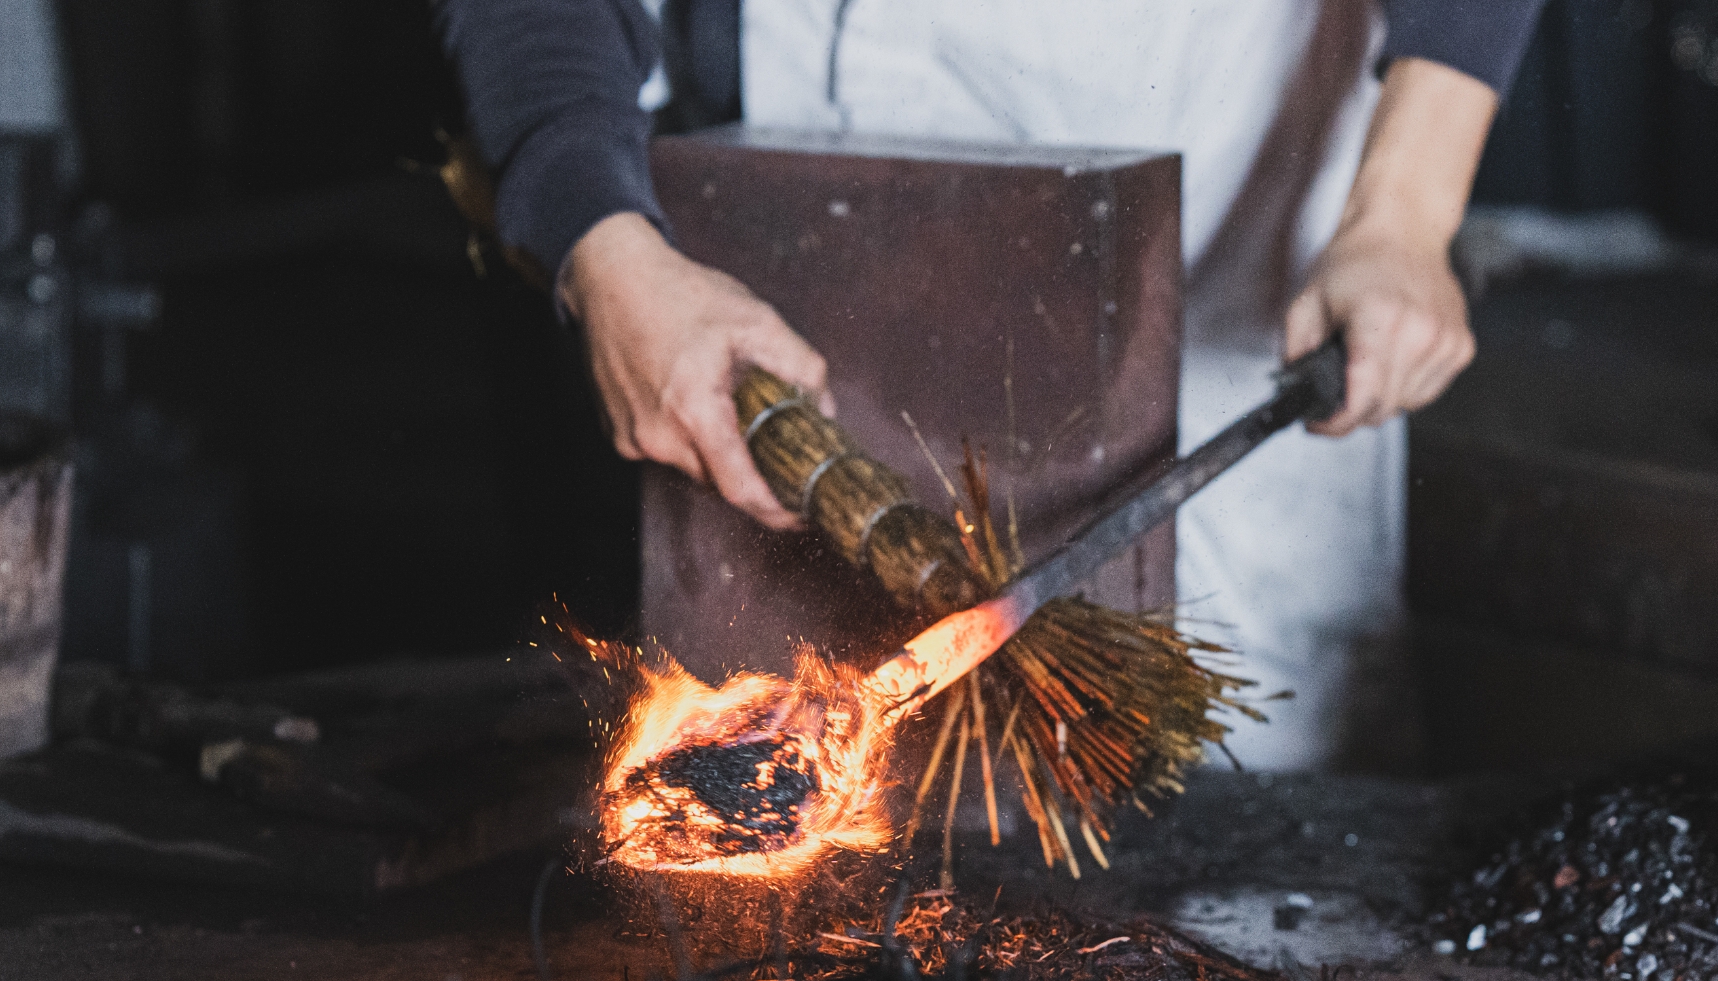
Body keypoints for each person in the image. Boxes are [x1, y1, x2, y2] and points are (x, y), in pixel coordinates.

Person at [437, 0, 1545, 768]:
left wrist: (1405, 212)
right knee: (810, 834)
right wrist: (602, 242)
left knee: (1233, 897)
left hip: (1211, 242)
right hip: (786, 284)